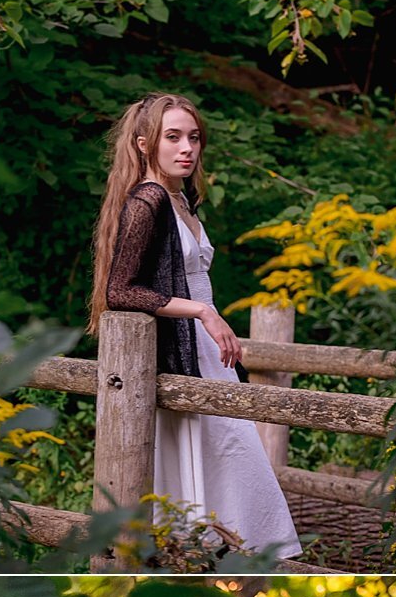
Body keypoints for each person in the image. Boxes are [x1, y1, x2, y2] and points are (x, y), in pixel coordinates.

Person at [90, 93, 301, 563]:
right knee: (233, 452)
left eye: (193, 137)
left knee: (228, 455)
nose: (187, 147)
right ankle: (232, 558)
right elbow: (119, 291)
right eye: (173, 137)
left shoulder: (181, 198)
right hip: (186, 350)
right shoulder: (147, 199)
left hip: (207, 353)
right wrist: (202, 313)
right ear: (145, 144)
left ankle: (226, 558)